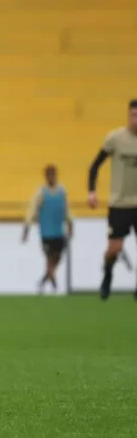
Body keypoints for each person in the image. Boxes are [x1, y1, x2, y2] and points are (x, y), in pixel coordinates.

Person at [87, 99, 137, 300]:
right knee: (115, 249)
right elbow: (94, 166)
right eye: (134, 115)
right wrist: (91, 191)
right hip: (119, 204)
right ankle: (107, 275)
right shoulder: (115, 139)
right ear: (128, 116)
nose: (136, 119)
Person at [22, 164, 73, 294]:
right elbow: (32, 209)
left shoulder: (62, 191)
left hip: (58, 232)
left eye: (53, 174)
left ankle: (44, 281)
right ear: (46, 177)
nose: (51, 177)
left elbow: (66, 209)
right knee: (50, 258)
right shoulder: (41, 193)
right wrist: (26, 228)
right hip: (46, 233)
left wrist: (70, 225)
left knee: (57, 258)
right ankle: (54, 285)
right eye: (49, 175)